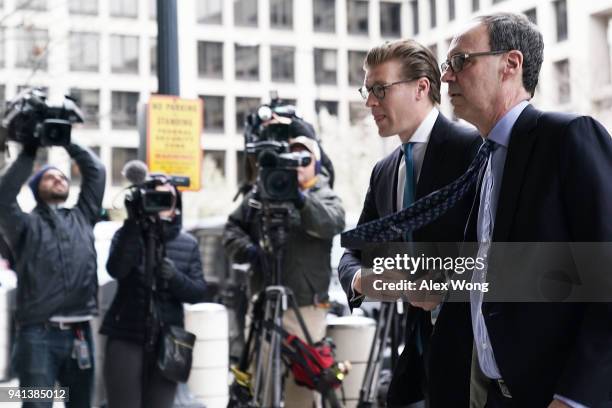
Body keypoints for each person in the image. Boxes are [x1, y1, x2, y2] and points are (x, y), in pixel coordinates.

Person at [438, 12, 612, 407]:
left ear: (510, 65)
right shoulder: (483, 159)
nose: (448, 77)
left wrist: (573, 397)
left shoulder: (569, 137)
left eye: (460, 61)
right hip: (494, 395)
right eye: (448, 66)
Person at [337, 39, 480, 408]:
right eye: (367, 90)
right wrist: (360, 280)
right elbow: (352, 250)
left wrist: (447, 287)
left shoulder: (474, 150)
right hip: (413, 356)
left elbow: (497, 246)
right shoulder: (384, 172)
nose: (369, 102)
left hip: (470, 357)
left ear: (421, 87)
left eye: (379, 89)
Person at [223, 133, 345, 407]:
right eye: (291, 157)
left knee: (302, 384)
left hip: (305, 305)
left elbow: (333, 223)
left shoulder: (324, 195)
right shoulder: (263, 191)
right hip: (264, 301)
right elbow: (231, 230)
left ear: (317, 164)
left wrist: (301, 200)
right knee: (260, 376)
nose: (297, 165)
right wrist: (250, 251)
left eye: (304, 158)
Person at [0, 142, 105, 408]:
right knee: (38, 404)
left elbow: (97, 170)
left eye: (62, 176)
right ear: (36, 189)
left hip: (81, 334)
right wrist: (30, 150)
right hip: (38, 337)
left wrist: (67, 140)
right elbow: (3, 195)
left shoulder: (83, 216)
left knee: (80, 404)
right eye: (49, 176)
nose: (58, 177)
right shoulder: (24, 225)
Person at [100, 178, 207, 408]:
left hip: (168, 340)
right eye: (154, 197)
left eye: (166, 198)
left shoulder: (188, 243)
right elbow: (116, 269)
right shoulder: (127, 234)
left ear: (176, 205)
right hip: (127, 333)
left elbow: (198, 292)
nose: (160, 204)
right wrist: (132, 224)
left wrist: (175, 277)